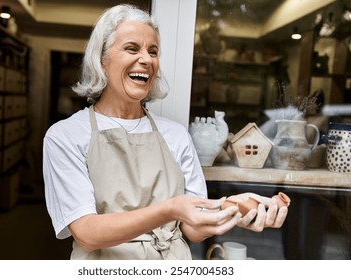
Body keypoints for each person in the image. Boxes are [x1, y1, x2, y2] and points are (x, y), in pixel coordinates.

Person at [43, 4, 288, 260]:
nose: (147, 60)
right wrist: (170, 210)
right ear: (102, 61)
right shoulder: (66, 136)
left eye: (153, 51)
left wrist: (234, 208)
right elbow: (87, 233)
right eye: (131, 48)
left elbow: (193, 227)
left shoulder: (175, 134)